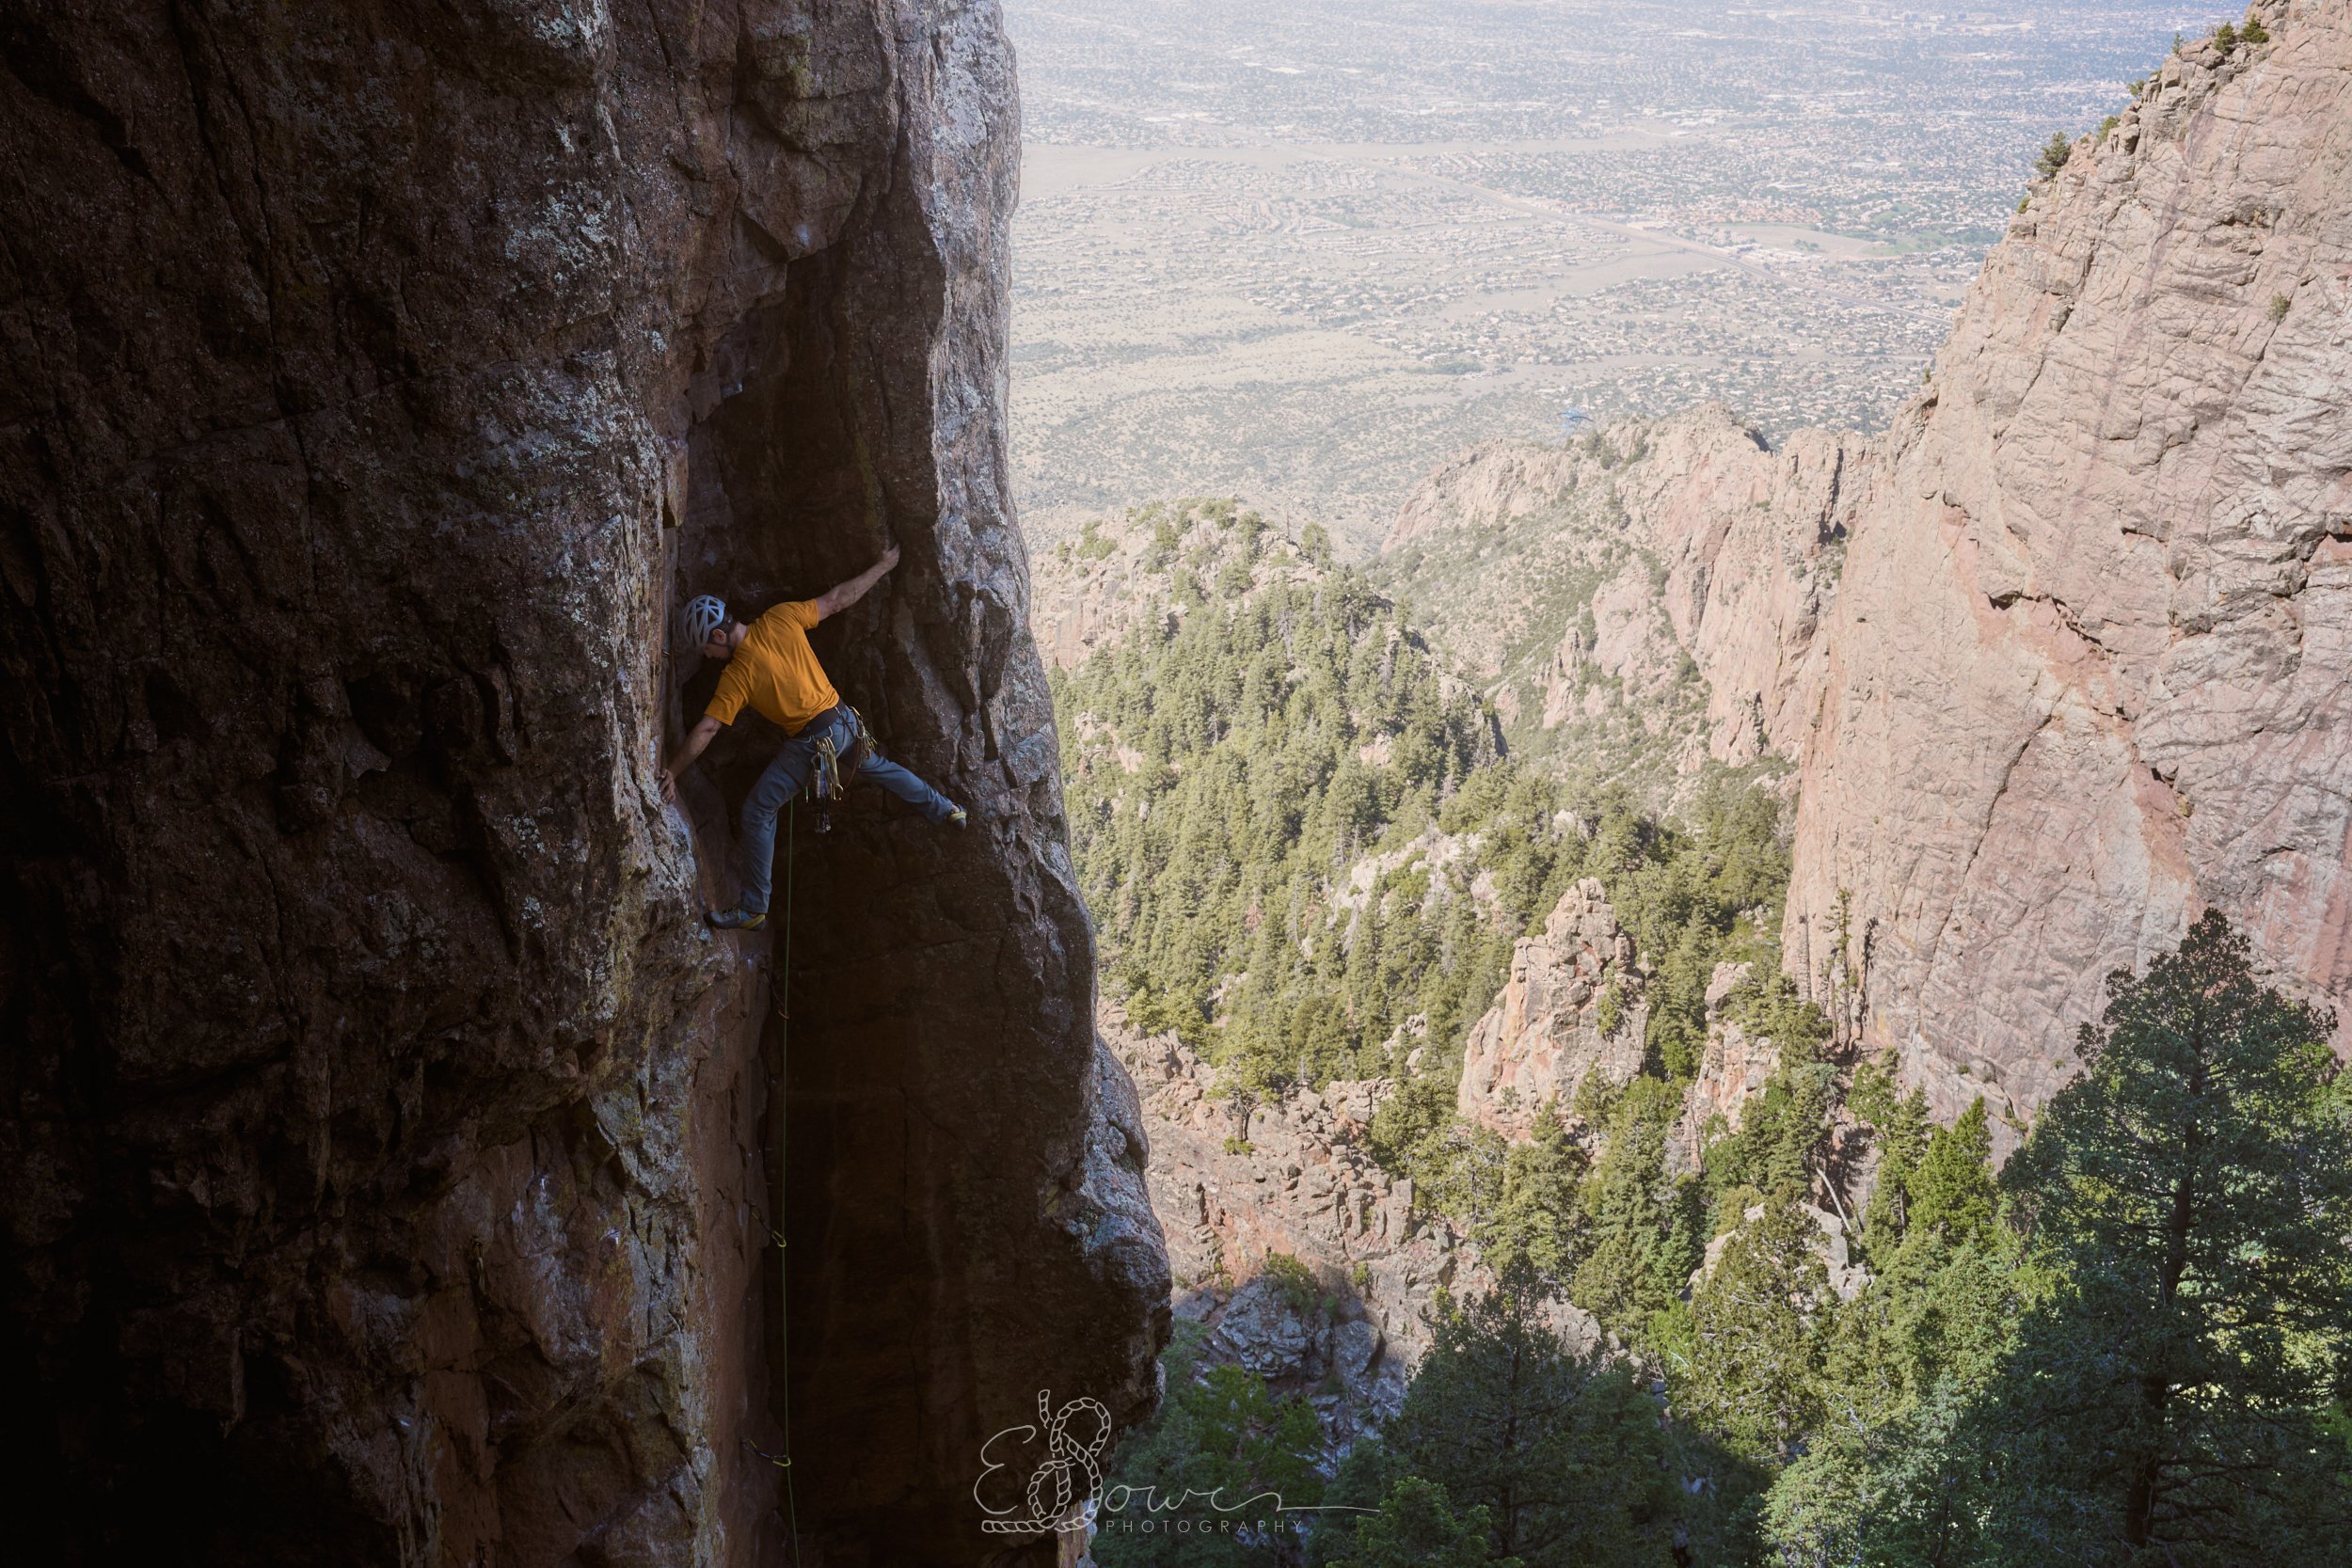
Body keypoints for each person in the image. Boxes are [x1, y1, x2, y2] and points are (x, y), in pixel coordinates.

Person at [659, 544, 964, 930]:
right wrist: (883, 566)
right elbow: (837, 600)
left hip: (814, 744)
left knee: (757, 810)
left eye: (707, 649)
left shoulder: (737, 677)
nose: (709, 657)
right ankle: (947, 808)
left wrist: (672, 770)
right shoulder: (780, 617)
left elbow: (708, 728)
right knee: (881, 768)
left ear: (719, 634)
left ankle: (754, 907)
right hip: (844, 722)